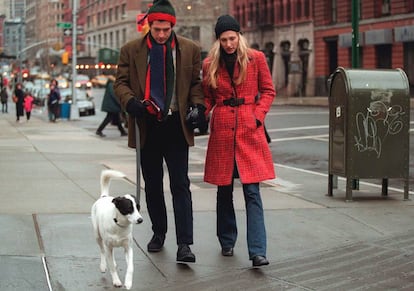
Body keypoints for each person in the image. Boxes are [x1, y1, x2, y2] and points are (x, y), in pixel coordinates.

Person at [114, 0, 206, 263]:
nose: (162, 34)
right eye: (157, 29)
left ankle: (185, 244)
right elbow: (119, 83)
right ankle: (158, 232)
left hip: (177, 125)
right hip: (147, 126)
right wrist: (130, 100)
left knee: (180, 185)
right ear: (149, 26)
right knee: (152, 185)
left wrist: (198, 106)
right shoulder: (131, 50)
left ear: (172, 26)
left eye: (166, 29)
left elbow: (196, 84)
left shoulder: (189, 49)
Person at [201, 15, 276, 267]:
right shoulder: (210, 63)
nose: (229, 44)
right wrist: (200, 112)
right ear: (218, 40)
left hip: (248, 130)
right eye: (224, 40)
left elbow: (268, 91)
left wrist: (257, 116)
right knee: (224, 191)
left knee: (252, 191)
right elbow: (208, 97)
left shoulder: (256, 59)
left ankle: (258, 251)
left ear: (239, 36)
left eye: (232, 38)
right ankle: (227, 241)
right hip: (222, 131)